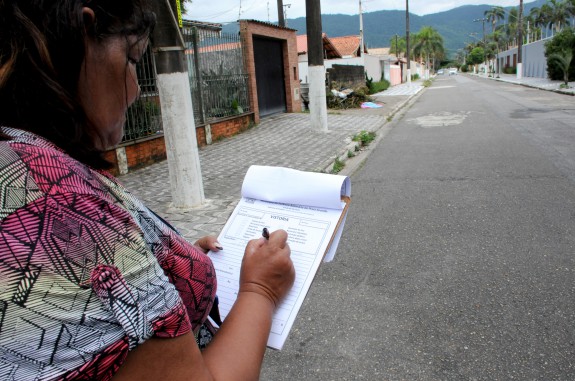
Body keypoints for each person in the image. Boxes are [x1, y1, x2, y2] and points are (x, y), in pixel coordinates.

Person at [0, 1, 295, 380]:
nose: (137, 90)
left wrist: (168, 262)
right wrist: (260, 289)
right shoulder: (59, 206)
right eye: (133, 59)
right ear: (81, 36)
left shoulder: (21, 159)